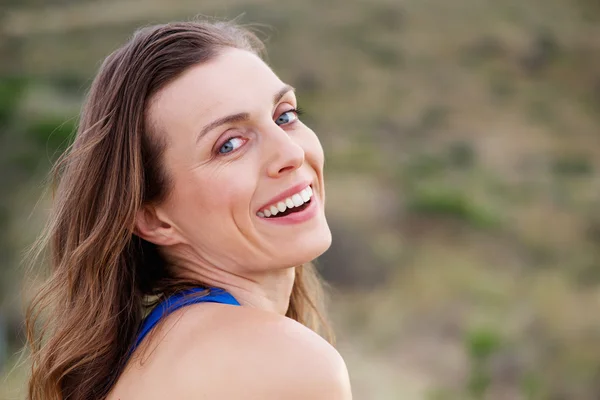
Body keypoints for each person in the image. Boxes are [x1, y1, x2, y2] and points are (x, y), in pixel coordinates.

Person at [25, 19, 352, 400]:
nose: (292, 153)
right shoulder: (281, 364)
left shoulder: (163, 351)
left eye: (285, 116)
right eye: (229, 144)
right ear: (152, 218)